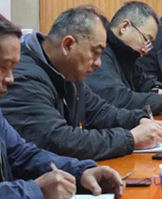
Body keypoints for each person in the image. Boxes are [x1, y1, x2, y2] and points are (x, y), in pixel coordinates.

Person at [0, 6, 162, 161]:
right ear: (68, 45)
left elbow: (100, 111)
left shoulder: (68, 73)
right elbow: (59, 140)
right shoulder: (24, 78)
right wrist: (131, 138)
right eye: (95, 52)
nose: (98, 63)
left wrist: (142, 120)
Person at [0, 14, 125, 198]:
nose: (10, 79)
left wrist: (80, 173)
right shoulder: (27, 78)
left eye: (13, 68)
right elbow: (56, 138)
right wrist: (36, 190)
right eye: (4, 67)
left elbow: (22, 155)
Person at [86, 1, 162, 114]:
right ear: (125, 27)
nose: (145, 49)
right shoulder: (101, 54)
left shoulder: (125, 53)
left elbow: (143, 81)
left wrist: (156, 90)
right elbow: (117, 98)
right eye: (146, 39)